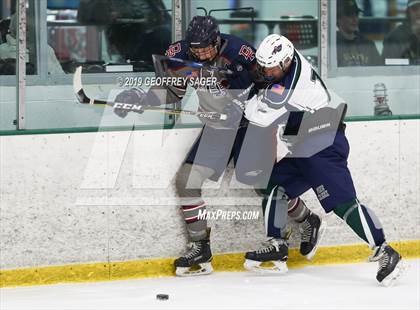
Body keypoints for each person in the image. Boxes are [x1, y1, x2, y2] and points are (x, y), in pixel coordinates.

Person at [113, 16, 324, 276]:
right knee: (186, 180)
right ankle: (200, 248)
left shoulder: (241, 53)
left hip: (251, 126)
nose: (200, 53)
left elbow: (270, 87)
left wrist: (241, 106)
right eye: (195, 49)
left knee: (264, 185)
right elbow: (173, 92)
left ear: (217, 40)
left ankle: (307, 219)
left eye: (205, 48)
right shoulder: (179, 54)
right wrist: (141, 98)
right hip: (217, 129)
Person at [241, 33, 403, 286]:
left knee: (344, 205)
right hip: (305, 147)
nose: (266, 71)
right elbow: (263, 90)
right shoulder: (287, 65)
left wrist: (234, 107)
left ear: (285, 63)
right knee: (273, 186)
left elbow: (259, 117)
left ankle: (384, 250)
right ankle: (279, 244)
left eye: (271, 67)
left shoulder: (292, 84)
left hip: (323, 146)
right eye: (264, 66)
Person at [336, 0, 383, 66]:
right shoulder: (332, 44)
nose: (355, 19)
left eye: (356, 14)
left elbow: (380, 70)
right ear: (338, 18)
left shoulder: (368, 44)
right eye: (349, 15)